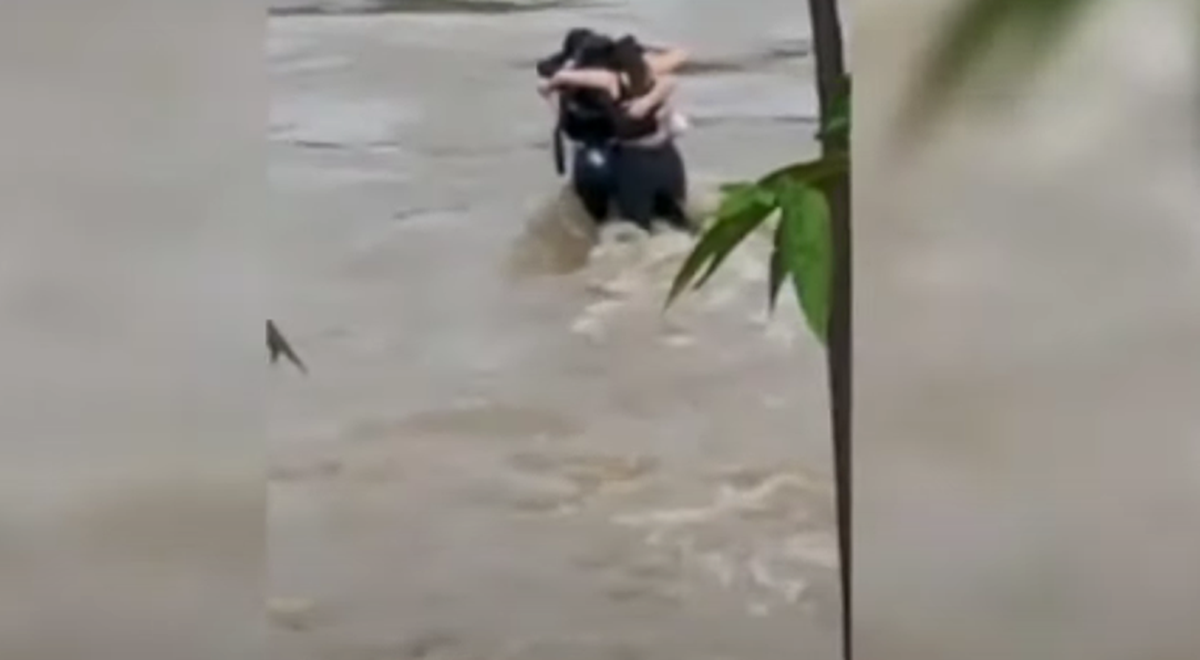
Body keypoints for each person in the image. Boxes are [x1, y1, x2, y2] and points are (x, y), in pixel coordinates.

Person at [536, 31, 691, 231]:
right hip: (664, 158)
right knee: (680, 224)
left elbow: (563, 93)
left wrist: (551, 86)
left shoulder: (598, 84)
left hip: (625, 164)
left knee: (630, 228)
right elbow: (679, 60)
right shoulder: (641, 75)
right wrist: (647, 99)